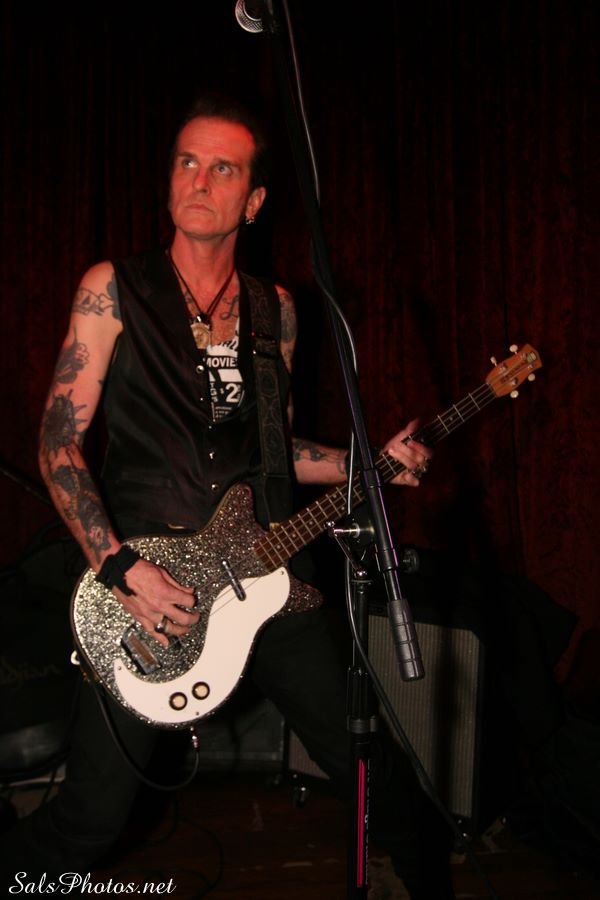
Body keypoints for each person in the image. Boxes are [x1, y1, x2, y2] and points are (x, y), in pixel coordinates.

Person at [3, 95, 452, 898]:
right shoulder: (114, 288)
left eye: (222, 167)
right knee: (92, 817)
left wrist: (368, 463)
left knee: (369, 766)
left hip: (261, 573)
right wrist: (118, 567)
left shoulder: (277, 309)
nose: (199, 179)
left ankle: (426, 881)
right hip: (148, 587)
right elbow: (58, 442)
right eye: (187, 161)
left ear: (254, 200)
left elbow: (278, 455)